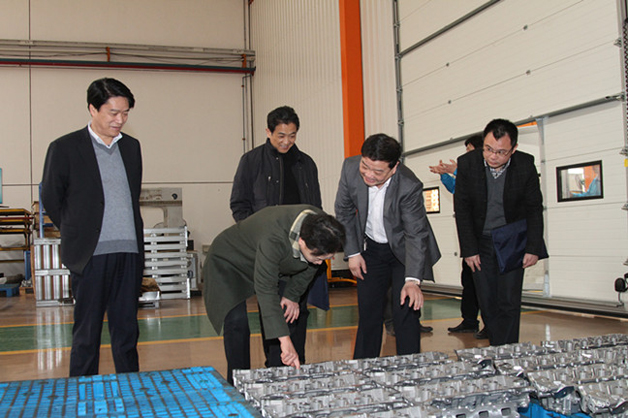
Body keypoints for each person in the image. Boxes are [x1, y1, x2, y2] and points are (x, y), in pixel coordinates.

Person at [41, 78, 144, 376]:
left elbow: (131, 195)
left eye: (125, 113)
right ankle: (82, 394)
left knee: (127, 333)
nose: (120, 120)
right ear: (92, 109)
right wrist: (77, 231)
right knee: (87, 335)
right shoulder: (64, 148)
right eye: (113, 112)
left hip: (129, 254)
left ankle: (130, 389)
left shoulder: (132, 148)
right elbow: (52, 198)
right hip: (90, 256)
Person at [202, 205, 345, 384]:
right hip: (229, 263)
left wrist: (292, 295)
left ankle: (278, 377)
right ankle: (238, 381)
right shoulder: (273, 237)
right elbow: (266, 289)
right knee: (237, 322)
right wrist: (285, 340)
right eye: (317, 258)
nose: (320, 263)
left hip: (270, 262)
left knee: (286, 314)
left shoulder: (323, 226)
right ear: (302, 242)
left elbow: (311, 266)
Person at [229, 105, 325, 368]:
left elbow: (315, 207)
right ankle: (275, 367)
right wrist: (257, 238)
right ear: (268, 132)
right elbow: (239, 204)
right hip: (269, 250)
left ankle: (297, 365)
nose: (286, 141)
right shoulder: (251, 162)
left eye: (292, 135)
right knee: (273, 309)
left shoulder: (306, 164)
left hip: (301, 251)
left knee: (298, 310)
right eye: (281, 135)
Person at [335, 133, 441, 359]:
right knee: (368, 312)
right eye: (365, 166)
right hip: (370, 249)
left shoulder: (409, 185)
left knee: (406, 312)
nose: (369, 175)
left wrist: (412, 281)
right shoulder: (350, 168)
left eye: (378, 171)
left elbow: (415, 234)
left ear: (394, 168)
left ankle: (409, 368)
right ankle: (363, 369)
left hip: (403, 251)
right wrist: (353, 252)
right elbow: (343, 211)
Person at [454, 119, 545, 346]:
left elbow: (534, 208)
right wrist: (469, 249)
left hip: (512, 240)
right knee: (487, 300)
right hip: (481, 242)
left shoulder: (525, 164)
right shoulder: (467, 164)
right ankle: (496, 347)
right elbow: (462, 209)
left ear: (513, 149)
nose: (493, 156)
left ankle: (508, 350)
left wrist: (533, 247)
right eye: (488, 149)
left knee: (509, 300)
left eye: (501, 152)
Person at [429, 134, 488, 339]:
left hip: (485, 240)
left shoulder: (488, 172)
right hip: (471, 240)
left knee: (485, 284)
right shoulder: (467, 174)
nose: (467, 155)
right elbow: (456, 188)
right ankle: (469, 320)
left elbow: (478, 184)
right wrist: (445, 175)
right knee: (469, 281)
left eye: (470, 150)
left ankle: (490, 324)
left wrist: (457, 170)